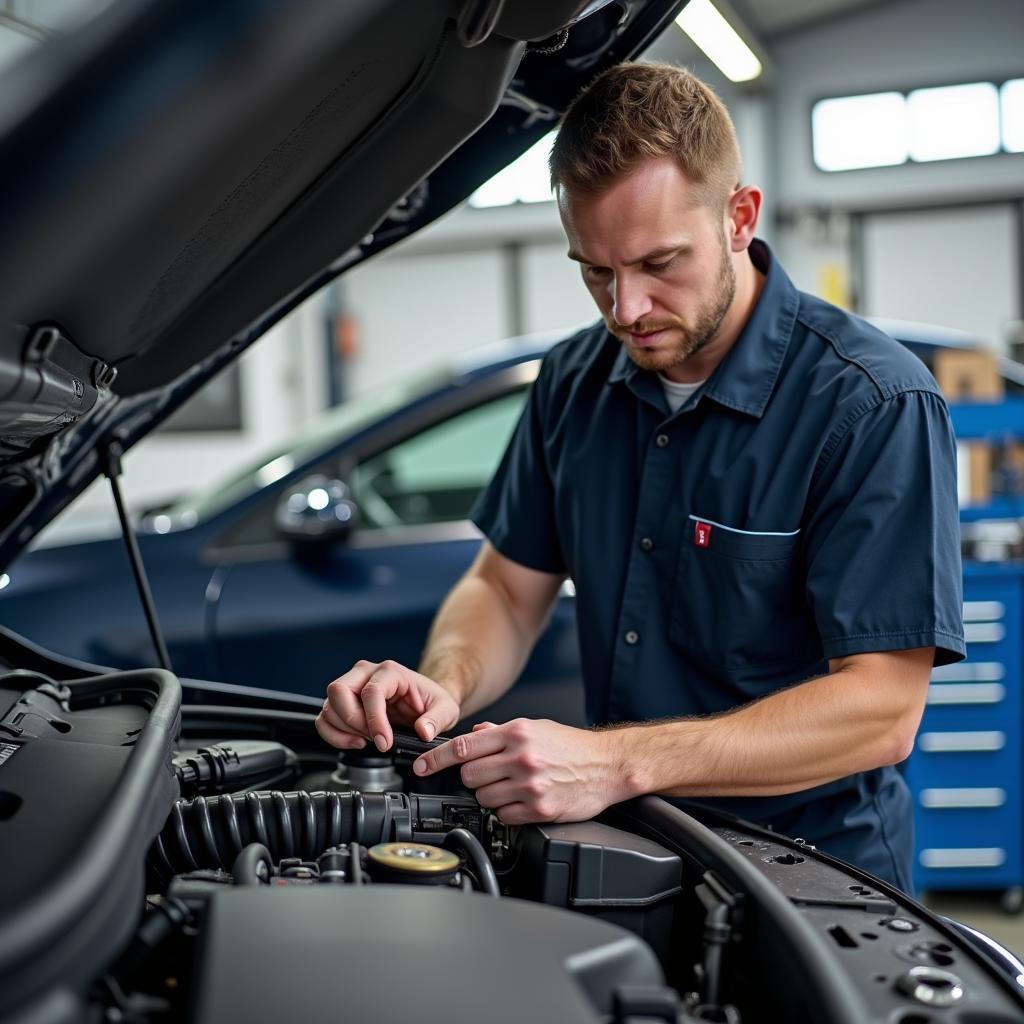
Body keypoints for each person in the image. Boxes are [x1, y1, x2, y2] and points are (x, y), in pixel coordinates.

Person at [315, 62, 965, 891]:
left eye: (660, 263)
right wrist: (440, 687)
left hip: (812, 880)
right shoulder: (572, 382)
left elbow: (880, 711)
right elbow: (509, 591)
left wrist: (615, 761)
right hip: (629, 853)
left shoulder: (873, 402)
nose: (625, 309)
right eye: (595, 271)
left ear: (739, 217)